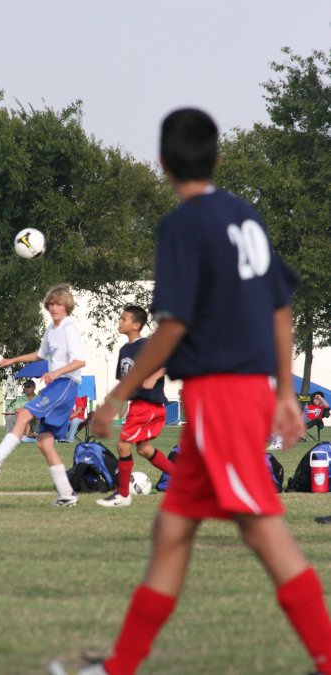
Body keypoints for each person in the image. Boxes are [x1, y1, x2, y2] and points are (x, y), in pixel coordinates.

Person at [72, 109, 331, 675]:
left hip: (222, 398)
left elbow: (172, 326)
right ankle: (118, 667)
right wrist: (286, 390)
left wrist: (117, 397)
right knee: (170, 529)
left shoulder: (183, 225)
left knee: (265, 532)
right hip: (244, 393)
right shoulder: (245, 215)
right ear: (216, 158)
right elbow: (280, 306)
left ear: (162, 163)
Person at [0, 284, 85, 507]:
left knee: (23, 413)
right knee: (44, 444)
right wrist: (12, 360)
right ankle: (67, 494)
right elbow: (39, 354)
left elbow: (80, 361)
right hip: (57, 385)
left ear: (67, 306)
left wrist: (55, 372)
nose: (53, 308)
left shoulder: (69, 328)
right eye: (51, 304)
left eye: (58, 304)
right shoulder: (52, 329)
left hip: (65, 384)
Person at [96, 305, 173, 508]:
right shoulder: (124, 350)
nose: (119, 322)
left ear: (136, 325)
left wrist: (154, 376)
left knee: (123, 445)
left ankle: (122, 495)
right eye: (120, 318)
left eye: (124, 319)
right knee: (145, 449)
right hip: (138, 405)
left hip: (148, 404)